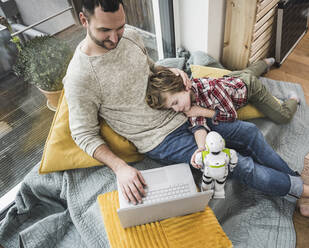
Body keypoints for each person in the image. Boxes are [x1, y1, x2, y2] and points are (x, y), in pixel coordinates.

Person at [63, 0, 309, 217]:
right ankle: (303, 191)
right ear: (84, 20)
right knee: (234, 163)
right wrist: (121, 168)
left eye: (120, 27)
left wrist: (172, 73)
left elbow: (150, 68)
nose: (115, 38)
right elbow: (83, 134)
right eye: (105, 30)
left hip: (187, 111)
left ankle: (295, 185)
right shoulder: (80, 77)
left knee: (250, 133)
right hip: (162, 139)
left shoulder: (130, 38)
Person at [146, 58, 300, 126]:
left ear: (186, 88)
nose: (176, 109)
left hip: (249, 87)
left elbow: (232, 116)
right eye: (171, 107)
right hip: (231, 79)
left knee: (282, 117)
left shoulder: (212, 90)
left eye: (175, 103)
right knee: (246, 72)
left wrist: (203, 112)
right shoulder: (187, 98)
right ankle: (266, 62)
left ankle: (293, 99)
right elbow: (195, 119)